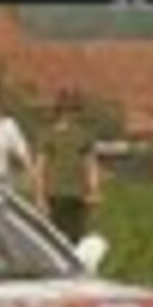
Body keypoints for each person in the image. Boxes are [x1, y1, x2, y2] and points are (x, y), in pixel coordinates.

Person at [34, 90, 101, 242]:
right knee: (53, 239)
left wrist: (94, 191)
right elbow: (40, 167)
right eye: (65, 110)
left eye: (71, 110)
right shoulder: (48, 134)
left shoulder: (82, 135)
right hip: (54, 195)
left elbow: (91, 165)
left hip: (76, 195)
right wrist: (40, 197)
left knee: (75, 238)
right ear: (58, 112)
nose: (68, 114)